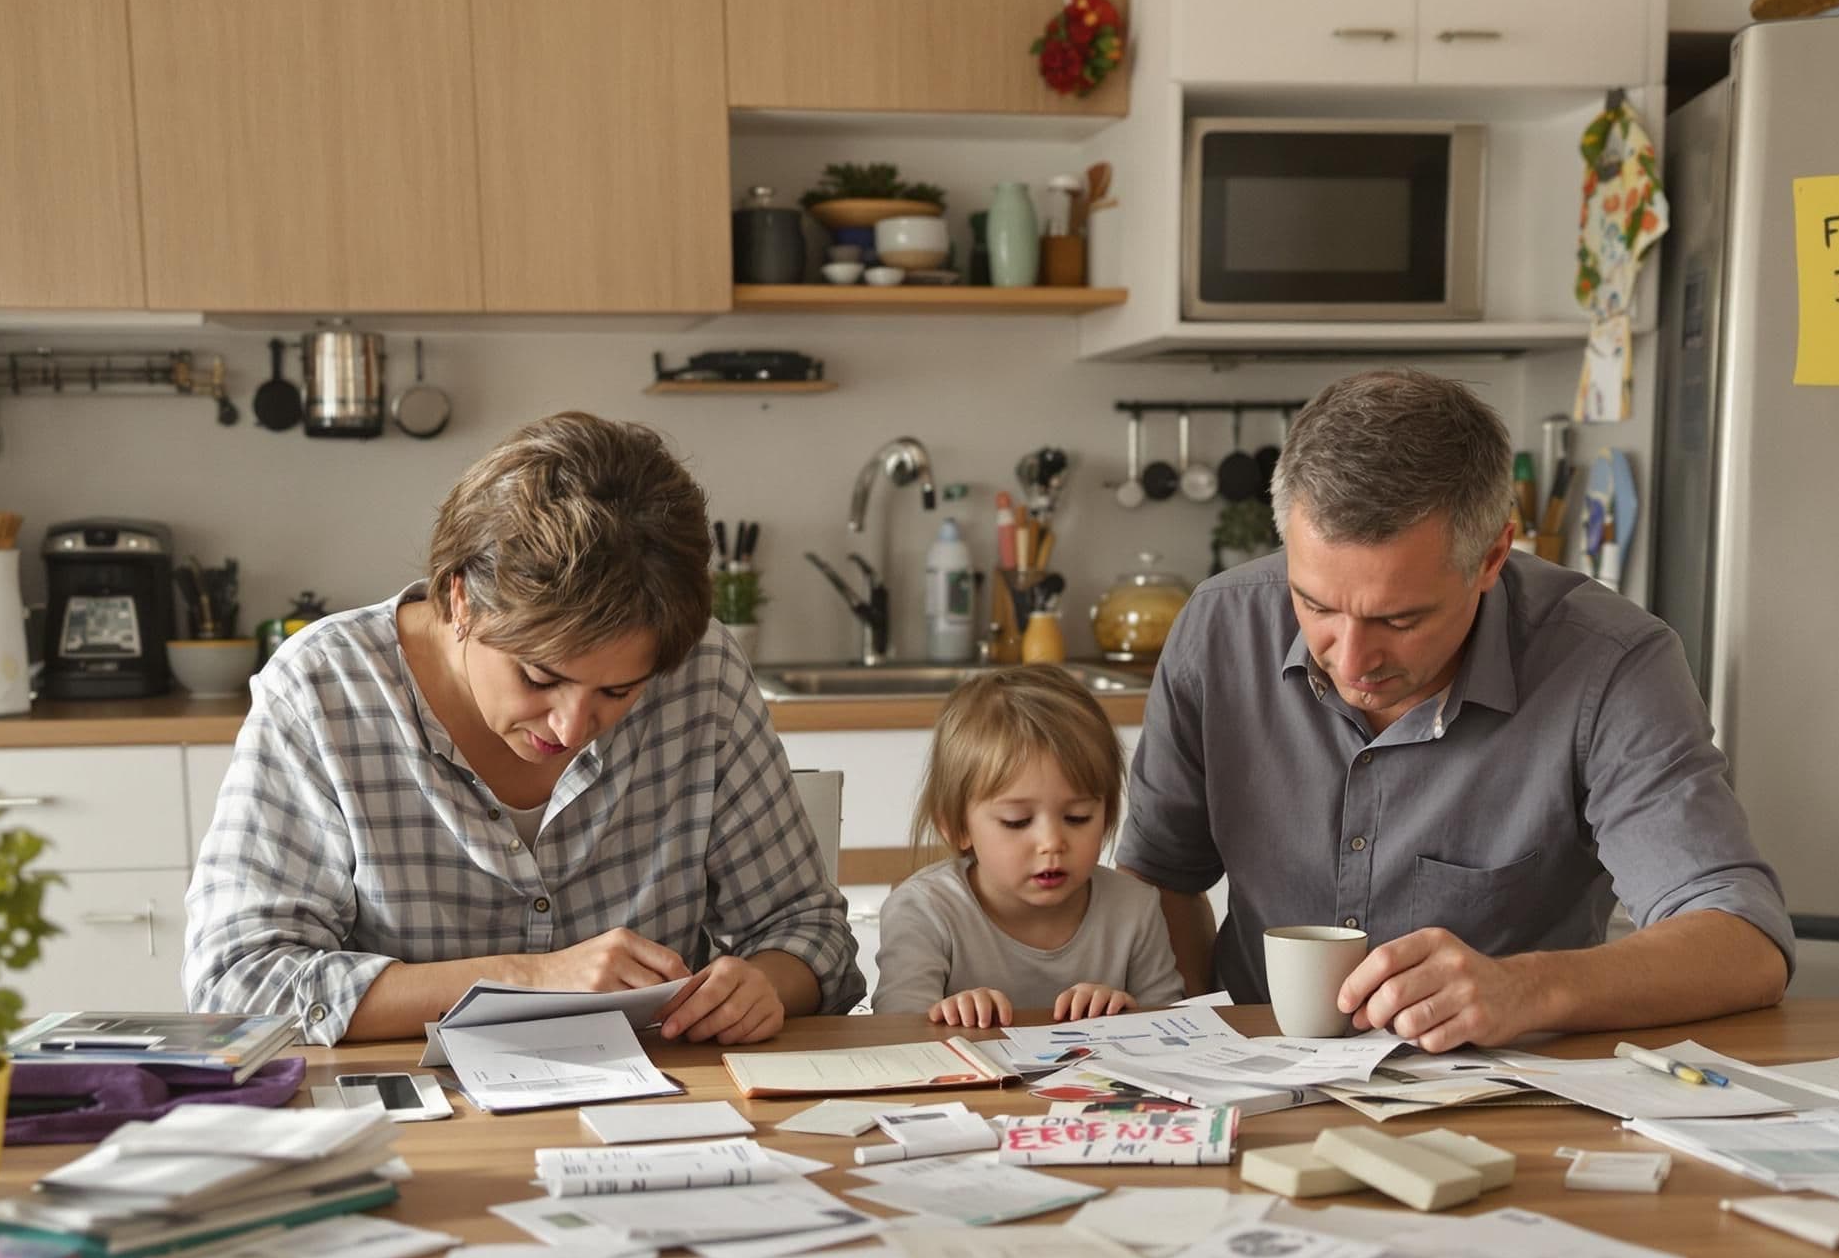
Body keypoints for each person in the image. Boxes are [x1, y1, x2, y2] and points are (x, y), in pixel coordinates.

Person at [1115, 369, 1791, 1052]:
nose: (1350, 662)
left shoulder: (1609, 663)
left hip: (1512, 1085)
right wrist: (1204, 1041)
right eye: (1316, 606)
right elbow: (1156, 886)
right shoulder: (1220, 626)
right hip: (1258, 1073)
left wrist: (1522, 989)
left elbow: (1744, 942)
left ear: (1494, 553)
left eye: (1400, 619)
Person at [185, 411, 857, 1045]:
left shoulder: (700, 668)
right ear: (460, 600)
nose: (572, 727)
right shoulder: (324, 690)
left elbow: (806, 929)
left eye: (619, 691)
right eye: (540, 678)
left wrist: (764, 984)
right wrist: (530, 980)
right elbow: (236, 983)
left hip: (662, 1110)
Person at [871, 665, 1184, 1027]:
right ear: (957, 826)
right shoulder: (924, 911)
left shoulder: (1135, 907)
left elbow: (1174, 1029)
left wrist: (1128, 1014)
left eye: (1078, 817)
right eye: (1017, 822)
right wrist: (950, 1015)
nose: (1052, 843)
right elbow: (896, 1035)